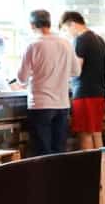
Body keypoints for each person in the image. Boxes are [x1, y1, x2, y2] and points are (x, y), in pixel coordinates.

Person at [13, 9, 78, 155]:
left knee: (42, 152)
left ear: (32, 25)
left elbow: (22, 77)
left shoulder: (33, 45)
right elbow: (76, 72)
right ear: (49, 23)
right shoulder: (66, 43)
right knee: (59, 151)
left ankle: (44, 178)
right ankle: (58, 178)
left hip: (40, 104)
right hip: (62, 104)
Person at [60, 11, 105, 151]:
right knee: (96, 133)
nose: (67, 33)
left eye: (66, 29)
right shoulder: (100, 40)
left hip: (85, 92)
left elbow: (76, 69)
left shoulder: (81, 40)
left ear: (72, 24)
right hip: (99, 92)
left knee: (85, 134)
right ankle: (100, 169)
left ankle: (88, 170)